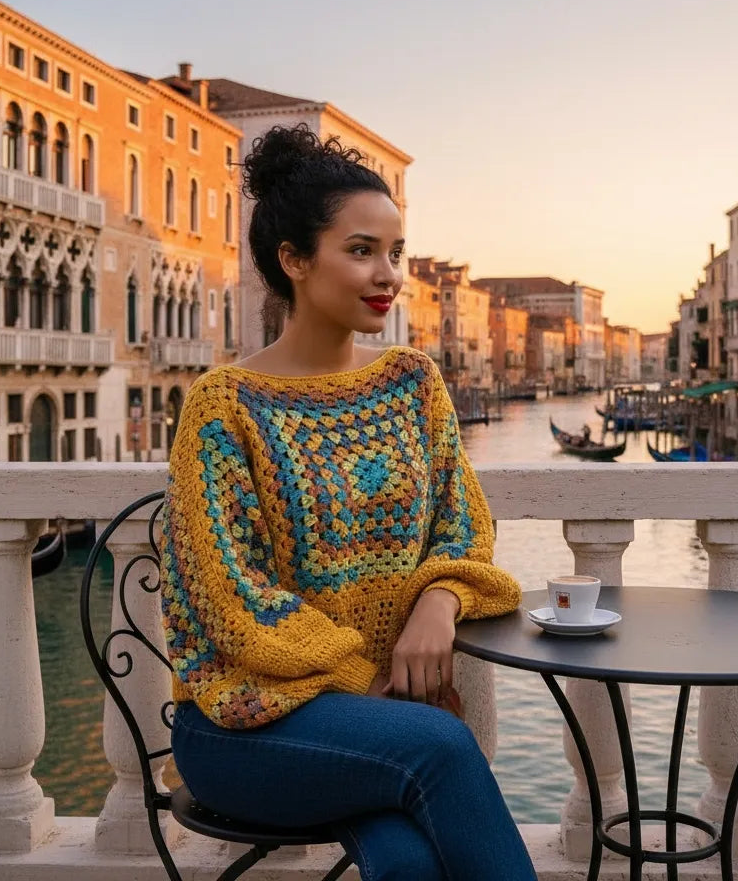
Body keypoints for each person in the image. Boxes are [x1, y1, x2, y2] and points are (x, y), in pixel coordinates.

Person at [160, 124, 536, 881]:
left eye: (395, 253)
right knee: (442, 747)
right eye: (361, 251)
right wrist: (366, 681)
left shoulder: (412, 382)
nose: (387, 275)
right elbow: (232, 597)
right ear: (294, 260)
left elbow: (462, 523)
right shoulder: (225, 405)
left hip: (378, 728)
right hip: (243, 724)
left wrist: (438, 604)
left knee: (407, 862)